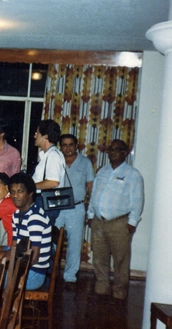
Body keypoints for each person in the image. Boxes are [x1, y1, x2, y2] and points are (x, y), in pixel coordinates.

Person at [87, 139, 144, 301]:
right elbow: (94, 196)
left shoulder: (133, 175)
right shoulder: (102, 172)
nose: (112, 152)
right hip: (99, 222)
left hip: (119, 224)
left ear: (125, 153)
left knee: (121, 259)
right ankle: (101, 287)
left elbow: (137, 200)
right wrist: (91, 215)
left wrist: (132, 222)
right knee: (99, 257)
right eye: (110, 150)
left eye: (117, 149)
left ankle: (119, 292)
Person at [56, 134, 94, 289]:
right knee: (52, 240)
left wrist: (90, 210)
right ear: (60, 146)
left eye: (71, 144)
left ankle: (70, 276)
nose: (67, 148)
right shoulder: (56, 161)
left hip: (76, 207)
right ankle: (50, 272)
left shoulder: (85, 163)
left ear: (76, 145)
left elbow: (91, 187)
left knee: (75, 243)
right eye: (64, 145)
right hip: (57, 207)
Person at [9, 172, 52, 290]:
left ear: (30, 193)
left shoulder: (35, 217)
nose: (15, 195)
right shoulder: (17, 214)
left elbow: (34, 258)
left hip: (33, 275)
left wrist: (8, 267)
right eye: (12, 192)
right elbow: (14, 246)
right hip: (22, 268)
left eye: (20, 191)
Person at [31, 119, 66, 224]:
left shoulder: (53, 155)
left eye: (37, 133)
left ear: (45, 136)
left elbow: (53, 182)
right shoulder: (47, 155)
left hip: (44, 202)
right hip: (43, 201)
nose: (35, 136)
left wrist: (30, 186)